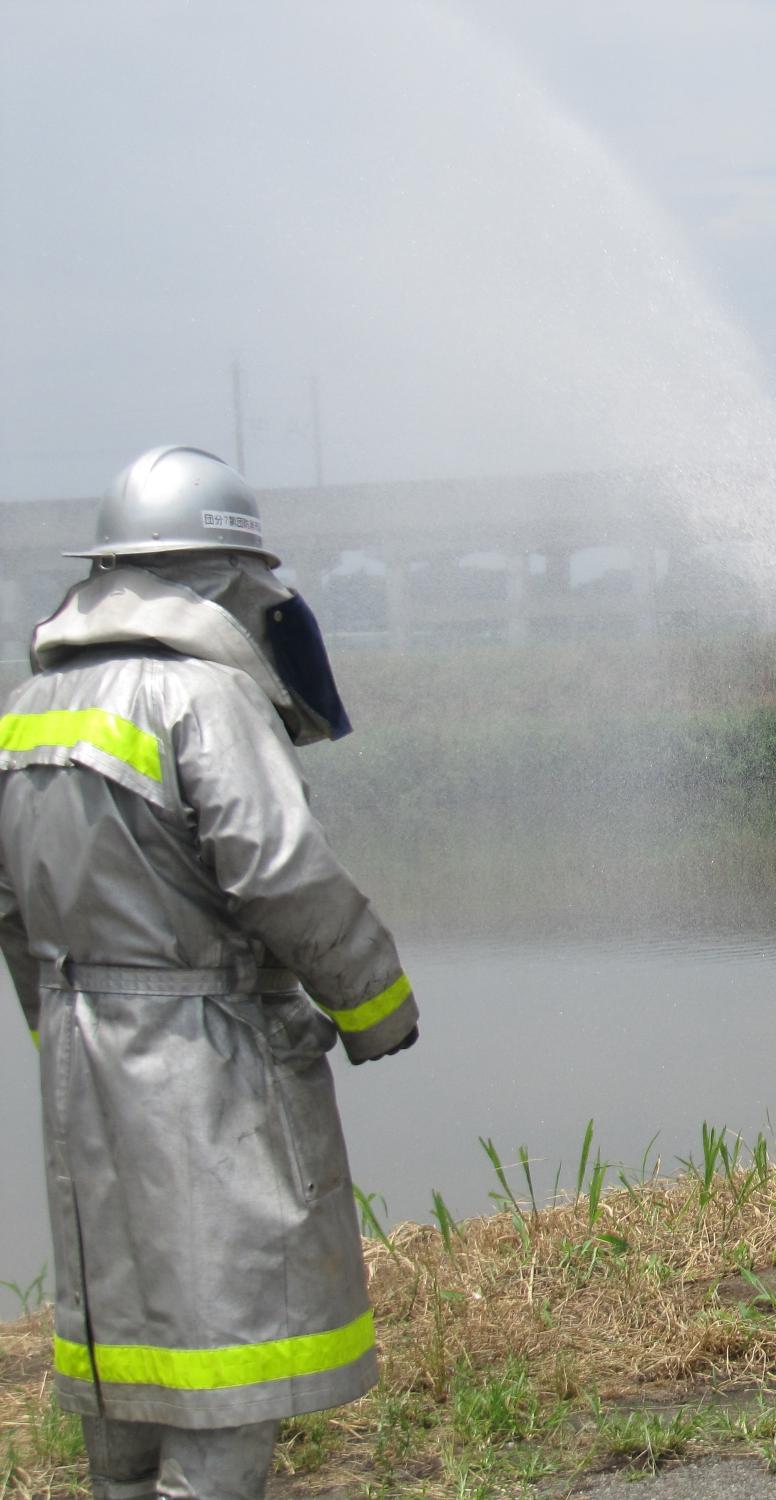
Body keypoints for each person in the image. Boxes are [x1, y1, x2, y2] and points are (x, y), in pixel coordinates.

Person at [0, 446, 419, 1500]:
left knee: (125, 1333)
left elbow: (10, 911)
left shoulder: (28, 707)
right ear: (225, 579)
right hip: (206, 1058)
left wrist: (60, 1029)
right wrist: (375, 1005)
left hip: (84, 1060)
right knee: (230, 1333)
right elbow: (280, 871)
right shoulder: (203, 698)